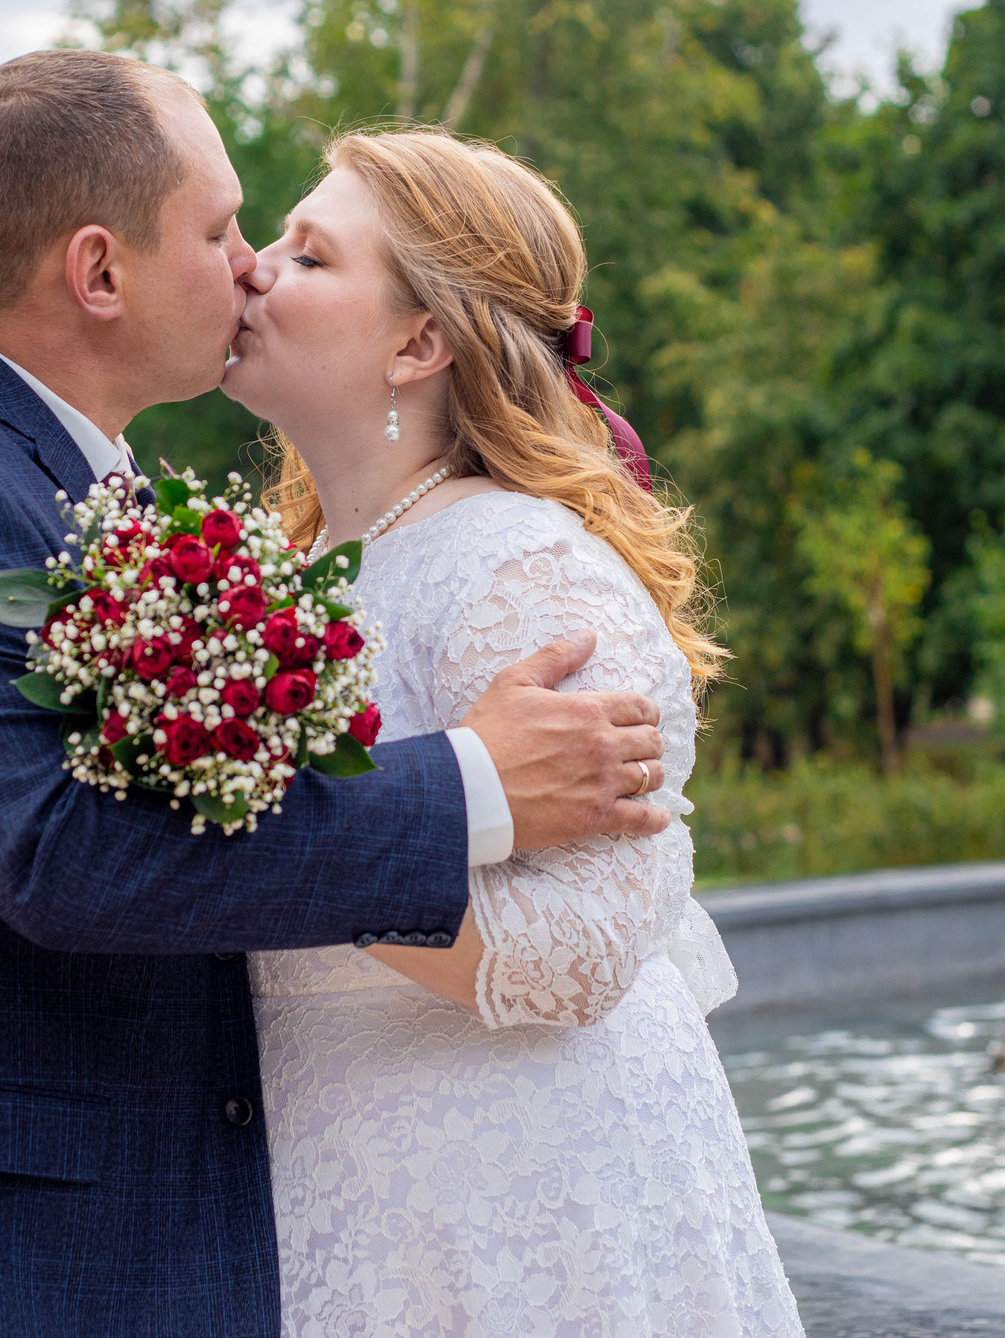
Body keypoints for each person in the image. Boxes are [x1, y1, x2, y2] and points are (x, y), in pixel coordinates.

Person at [0, 51, 673, 1337]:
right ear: (100, 271)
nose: (248, 267)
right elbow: (68, 851)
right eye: (223, 229)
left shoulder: (73, 487)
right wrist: (476, 788)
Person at [222, 128, 801, 1336]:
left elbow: (583, 950)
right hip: (352, 1181)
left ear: (419, 343)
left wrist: (241, 844)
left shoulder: (518, 568)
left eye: (310, 255)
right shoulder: (297, 570)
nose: (255, 268)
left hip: (522, 1199)